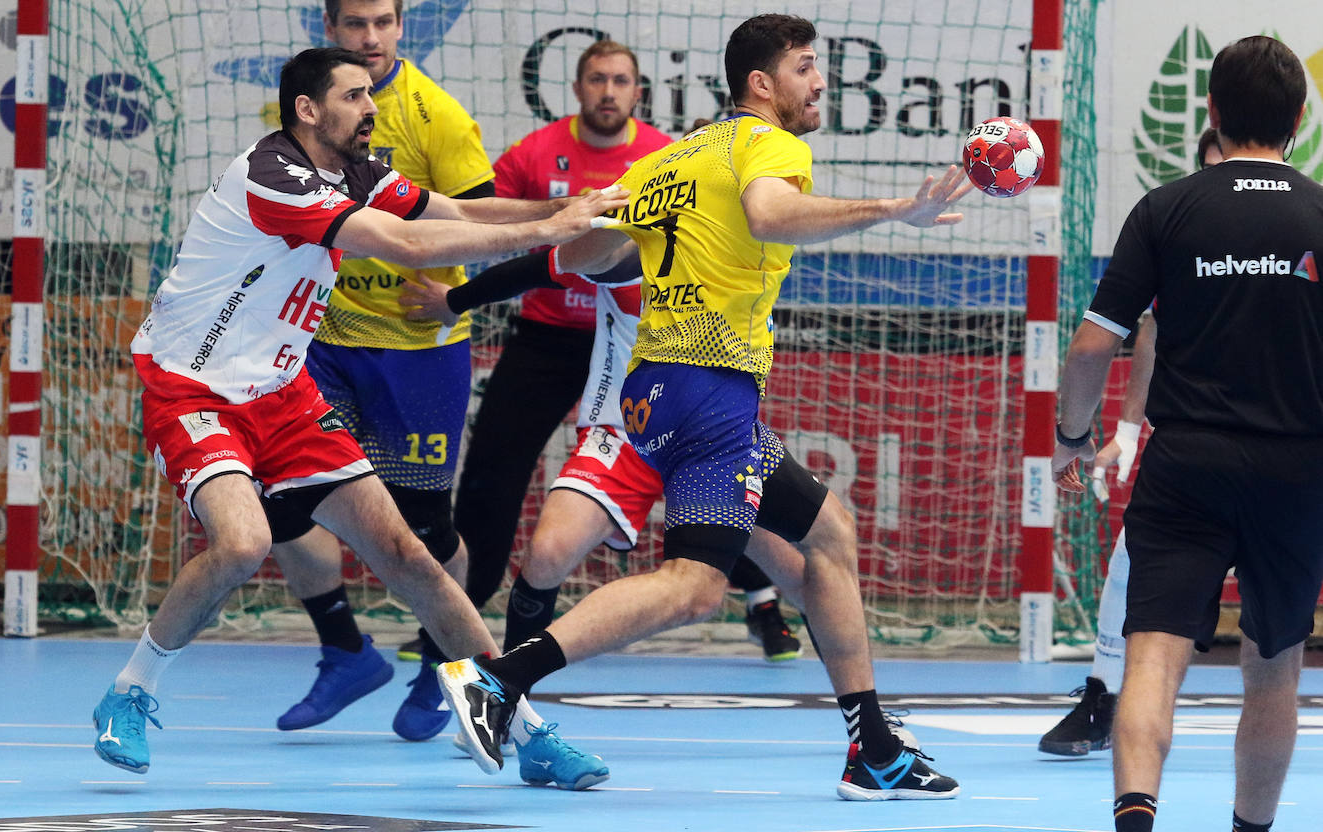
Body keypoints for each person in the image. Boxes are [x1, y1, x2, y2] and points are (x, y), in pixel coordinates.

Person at [435, 14, 969, 800]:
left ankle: (874, 744)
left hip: (654, 389)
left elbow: (578, 256)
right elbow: (769, 215)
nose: (820, 82)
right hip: (711, 386)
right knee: (693, 585)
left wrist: (462, 293)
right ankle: (498, 679)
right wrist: (894, 210)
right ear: (762, 83)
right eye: (806, 67)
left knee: (827, 533)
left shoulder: (667, 162)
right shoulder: (771, 146)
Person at [90, 47, 626, 791]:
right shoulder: (272, 175)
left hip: (282, 392)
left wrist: (569, 211)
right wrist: (551, 229)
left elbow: (460, 211)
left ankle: (525, 728)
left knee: (411, 555)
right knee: (243, 544)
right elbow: (406, 243)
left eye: (372, 94)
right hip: (195, 390)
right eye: (352, 96)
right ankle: (129, 691)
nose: (371, 107)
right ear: (308, 109)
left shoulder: (361, 171)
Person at [443, 40, 803, 663]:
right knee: (550, 551)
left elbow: (777, 216)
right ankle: (505, 687)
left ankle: (808, 651)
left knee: (803, 555)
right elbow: (545, 266)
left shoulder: (746, 253)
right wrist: (453, 300)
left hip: (707, 415)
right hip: (625, 420)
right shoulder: (631, 244)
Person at [1051, 37, 1323, 832]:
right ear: (1300, 121)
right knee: (1273, 670)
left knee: (1154, 656)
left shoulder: (1165, 210)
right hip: (1296, 472)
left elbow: (1092, 346)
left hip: (1186, 466)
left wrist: (1074, 437)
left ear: (1209, 111)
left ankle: (1136, 819)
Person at [266, 0, 496, 746]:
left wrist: (453, 292)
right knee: (285, 501)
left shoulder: (436, 116)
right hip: (323, 343)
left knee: (423, 529)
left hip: (416, 350)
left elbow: (481, 214)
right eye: (355, 25)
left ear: (401, 29)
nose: (370, 38)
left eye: (383, 24)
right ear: (331, 29)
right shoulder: (310, 115)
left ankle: (443, 662)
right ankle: (343, 652)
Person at [1038, 126, 1223, 756]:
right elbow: (1147, 332)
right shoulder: (1183, 227)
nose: (1215, 177)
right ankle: (1105, 697)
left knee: (1273, 644)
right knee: (1131, 563)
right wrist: (1124, 430)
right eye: (1207, 166)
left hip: (1284, 447)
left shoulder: (1297, 224)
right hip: (1197, 449)